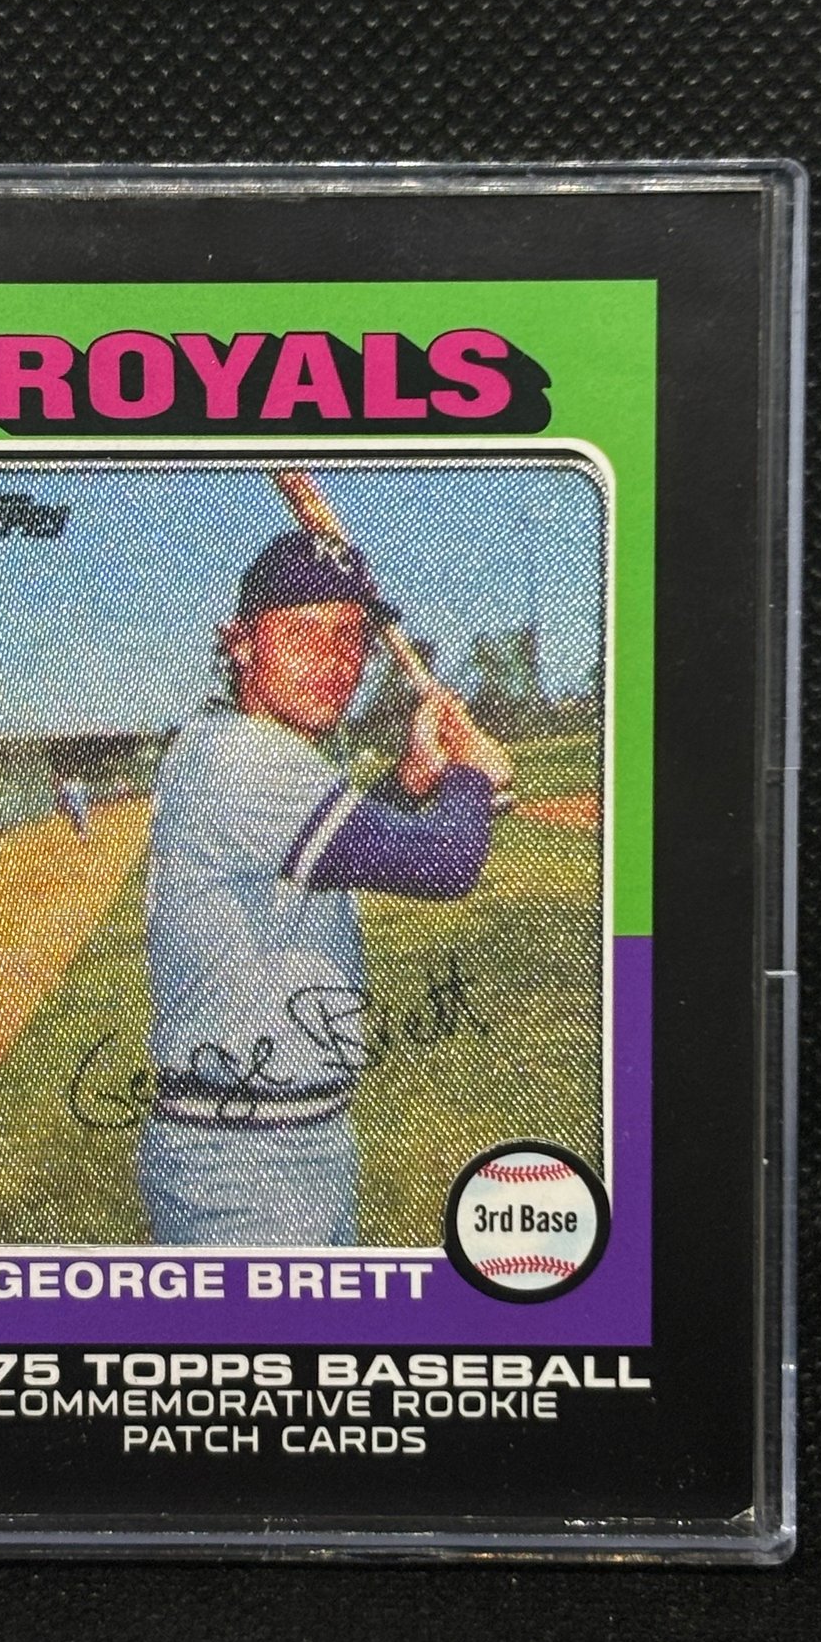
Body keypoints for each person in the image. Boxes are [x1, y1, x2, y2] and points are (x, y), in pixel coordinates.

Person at [137, 529, 513, 1247]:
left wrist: (412, 782)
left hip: (278, 1138)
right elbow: (443, 864)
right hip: (244, 1160)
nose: (333, 662)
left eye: (349, 639)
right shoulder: (244, 759)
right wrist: (474, 775)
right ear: (241, 644)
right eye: (302, 635)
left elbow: (326, 859)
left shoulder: (227, 743)